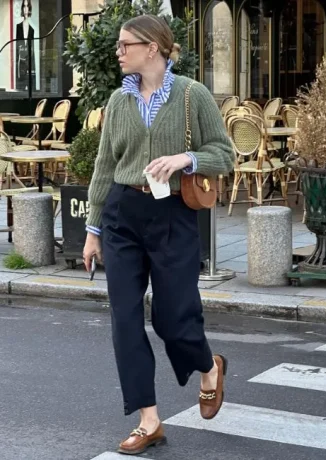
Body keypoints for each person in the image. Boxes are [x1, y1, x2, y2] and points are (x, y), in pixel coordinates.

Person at [83, 14, 234, 456]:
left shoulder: (192, 95)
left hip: (172, 215)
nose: (118, 51)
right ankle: (149, 420)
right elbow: (104, 167)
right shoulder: (118, 100)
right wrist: (93, 230)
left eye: (125, 44)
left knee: (174, 318)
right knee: (125, 320)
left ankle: (209, 367)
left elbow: (222, 153)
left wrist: (185, 158)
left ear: (152, 48)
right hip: (122, 214)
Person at [16, 0, 35, 91]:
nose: (25, 9)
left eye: (27, 6)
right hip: (20, 63)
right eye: (24, 6)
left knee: (30, 87)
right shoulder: (18, 27)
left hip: (29, 63)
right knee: (20, 88)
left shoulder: (33, 28)